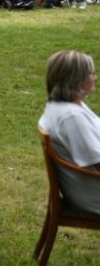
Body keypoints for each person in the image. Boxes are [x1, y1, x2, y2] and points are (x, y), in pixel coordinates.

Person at [38, 50, 100, 214]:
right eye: (91, 74)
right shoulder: (72, 117)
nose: (95, 78)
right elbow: (97, 163)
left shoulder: (65, 106)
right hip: (93, 194)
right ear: (77, 81)